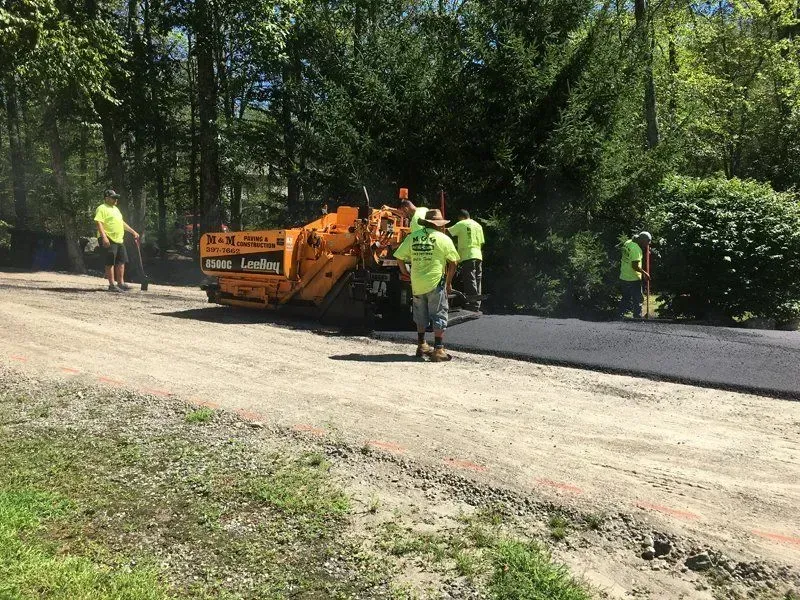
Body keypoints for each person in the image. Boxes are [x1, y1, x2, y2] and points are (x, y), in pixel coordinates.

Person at [394, 209, 460, 362]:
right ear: (438, 224)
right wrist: (448, 282)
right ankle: (438, 349)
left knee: (420, 314)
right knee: (439, 314)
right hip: (435, 282)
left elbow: (399, 257)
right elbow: (454, 262)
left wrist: (406, 273)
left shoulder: (413, 237)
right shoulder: (443, 239)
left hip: (417, 283)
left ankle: (421, 344)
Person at [94, 190, 139, 292]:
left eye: (116, 198)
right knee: (110, 261)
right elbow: (99, 223)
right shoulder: (102, 208)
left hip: (119, 239)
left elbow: (121, 223)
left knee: (121, 261)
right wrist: (104, 237)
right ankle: (112, 285)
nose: (116, 199)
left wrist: (133, 232)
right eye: (113, 197)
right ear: (106, 198)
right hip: (108, 238)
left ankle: (121, 283)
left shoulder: (116, 210)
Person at [447, 209, 485, 312]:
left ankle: (473, 304)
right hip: (478, 255)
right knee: (477, 279)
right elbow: (481, 242)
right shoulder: (478, 225)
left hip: (468, 255)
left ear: (460, 217)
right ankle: (477, 304)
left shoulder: (461, 223)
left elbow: (447, 232)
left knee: (470, 279)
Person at [618, 231, 651, 319]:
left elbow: (629, 256)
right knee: (638, 299)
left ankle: (619, 316)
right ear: (642, 240)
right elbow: (635, 266)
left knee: (625, 297)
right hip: (633, 278)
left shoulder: (628, 242)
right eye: (647, 242)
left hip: (624, 275)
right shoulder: (636, 249)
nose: (648, 244)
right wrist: (645, 273)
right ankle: (637, 317)